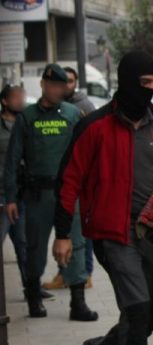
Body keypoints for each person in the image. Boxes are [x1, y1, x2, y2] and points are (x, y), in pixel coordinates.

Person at [54, 51, 153, 345]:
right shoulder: (93, 126)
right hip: (113, 233)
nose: (150, 92)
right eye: (144, 85)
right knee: (137, 309)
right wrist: (62, 234)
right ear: (126, 82)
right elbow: (69, 180)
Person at [4, 64, 96, 321]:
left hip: (69, 192)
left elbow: (86, 155)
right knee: (35, 246)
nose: (57, 89)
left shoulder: (72, 114)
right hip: (38, 194)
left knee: (76, 244)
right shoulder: (27, 117)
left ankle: (78, 302)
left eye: (61, 85)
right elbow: (13, 160)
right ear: (44, 85)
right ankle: (33, 296)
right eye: (53, 85)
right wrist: (10, 197)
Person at [43, 66, 98, 291]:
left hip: (79, 182)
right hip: (61, 182)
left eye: (70, 81)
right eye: (62, 81)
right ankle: (66, 274)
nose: (66, 85)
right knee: (67, 233)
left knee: (81, 235)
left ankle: (83, 275)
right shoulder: (53, 108)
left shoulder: (82, 107)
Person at [0, 84, 32, 298]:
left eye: (22, 97)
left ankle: (32, 289)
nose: (20, 101)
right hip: (2, 194)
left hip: (21, 194)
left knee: (23, 244)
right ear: (4, 101)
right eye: (16, 97)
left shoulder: (26, 124)